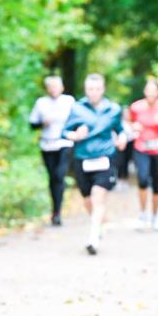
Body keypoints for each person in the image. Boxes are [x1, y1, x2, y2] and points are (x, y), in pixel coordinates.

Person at [61, 74, 127, 255]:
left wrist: (122, 138)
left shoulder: (113, 109)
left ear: (103, 89)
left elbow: (120, 130)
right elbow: (64, 132)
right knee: (88, 201)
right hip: (83, 158)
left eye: (97, 89)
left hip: (106, 157)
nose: (94, 92)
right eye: (90, 89)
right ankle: (99, 226)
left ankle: (93, 238)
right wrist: (74, 135)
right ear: (86, 89)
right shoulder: (77, 108)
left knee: (98, 196)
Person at [128, 78, 158, 231]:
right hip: (141, 148)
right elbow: (130, 125)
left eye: (153, 90)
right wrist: (134, 128)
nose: (150, 93)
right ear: (144, 92)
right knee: (142, 179)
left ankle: (155, 217)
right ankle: (143, 214)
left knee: (157, 184)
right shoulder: (136, 107)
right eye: (148, 90)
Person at [28, 75, 75, 225]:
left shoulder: (69, 101)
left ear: (62, 88)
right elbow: (32, 124)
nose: (54, 89)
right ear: (47, 89)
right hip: (47, 144)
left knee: (59, 175)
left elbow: (78, 120)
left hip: (64, 143)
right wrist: (43, 123)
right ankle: (55, 210)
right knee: (52, 178)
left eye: (56, 86)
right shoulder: (41, 103)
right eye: (51, 86)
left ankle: (58, 212)